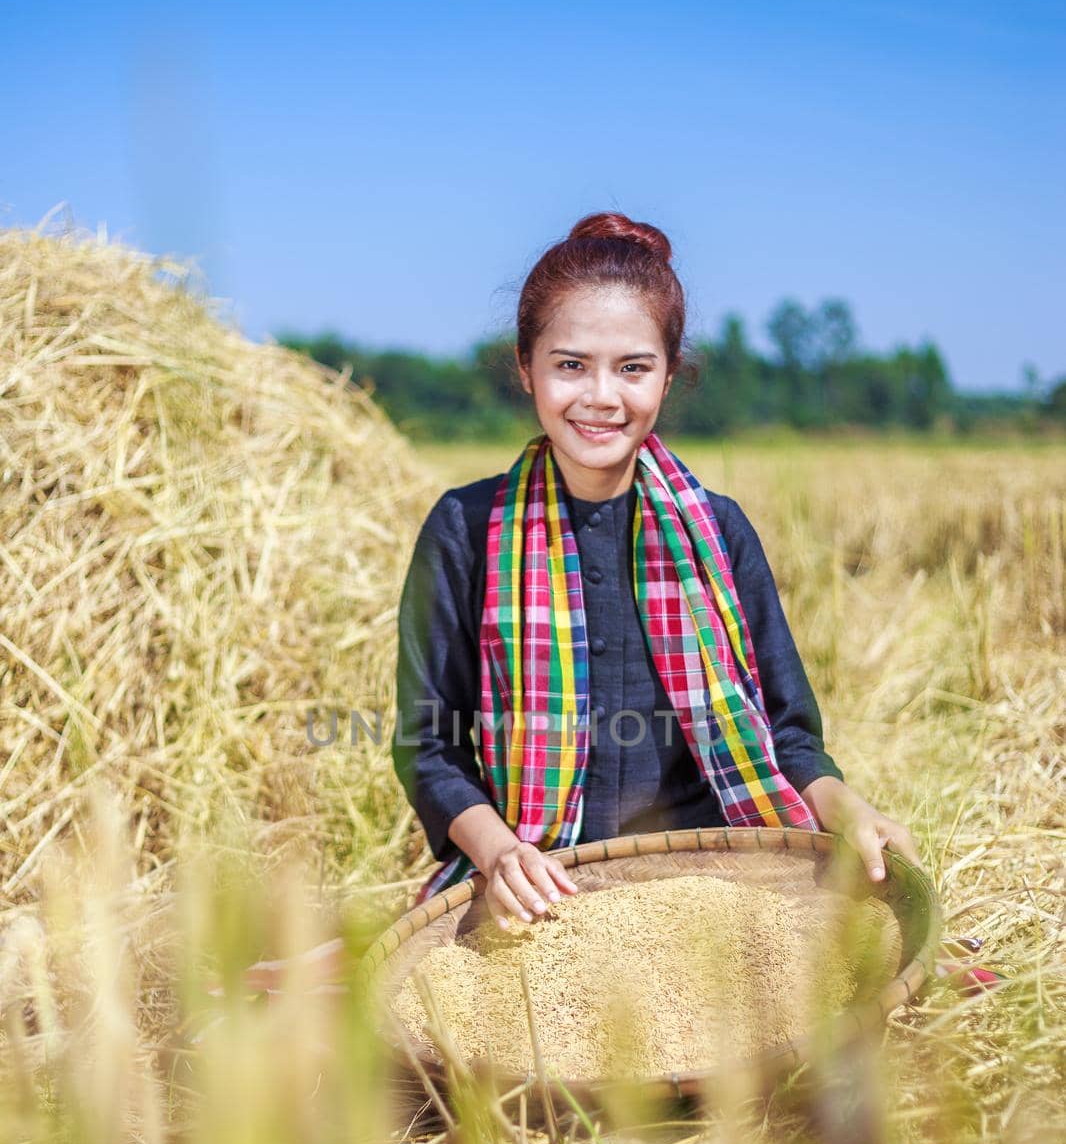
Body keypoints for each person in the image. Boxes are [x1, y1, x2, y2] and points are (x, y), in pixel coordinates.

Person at [391, 211, 921, 932]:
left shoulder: (720, 529)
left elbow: (788, 735)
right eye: (570, 364)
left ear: (669, 376)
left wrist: (850, 808)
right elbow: (429, 746)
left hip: (717, 875)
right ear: (526, 368)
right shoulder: (465, 528)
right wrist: (502, 853)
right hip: (540, 887)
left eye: (633, 368)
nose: (602, 397)